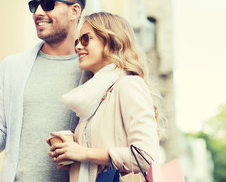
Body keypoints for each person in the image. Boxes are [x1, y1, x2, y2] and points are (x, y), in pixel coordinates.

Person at [0, 0, 86, 182]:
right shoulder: (12, 67)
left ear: (74, 11)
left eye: (48, 5)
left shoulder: (91, 71)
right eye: (34, 5)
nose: (38, 13)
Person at [48, 12, 160, 181]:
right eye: (77, 41)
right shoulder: (92, 97)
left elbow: (145, 156)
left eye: (86, 39)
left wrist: (84, 153)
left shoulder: (128, 85)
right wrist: (72, 157)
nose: (78, 47)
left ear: (111, 40)